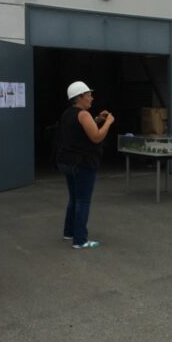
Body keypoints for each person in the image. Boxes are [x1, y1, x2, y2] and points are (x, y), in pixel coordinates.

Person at [56, 81, 114, 249]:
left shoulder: (68, 114)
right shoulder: (83, 115)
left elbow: (79, 130)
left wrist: (96, 119)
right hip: (83, 164)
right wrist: (108, 122)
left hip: (67, 162)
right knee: (83, 201)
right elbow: (96, 137)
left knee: (74, 198)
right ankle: (80, 240)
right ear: (80, 97)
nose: (92, 98)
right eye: (88, 95)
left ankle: (69, 232)